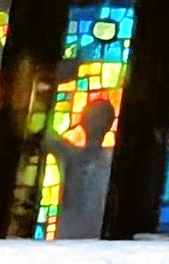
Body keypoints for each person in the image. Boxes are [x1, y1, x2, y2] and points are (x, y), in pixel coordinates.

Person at [44, 94, 116, 239]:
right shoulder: (70, 155)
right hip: (67, 237)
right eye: (90, 115)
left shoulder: (111, 161)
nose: (93, 121)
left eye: (98, 116)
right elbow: (46, 137)